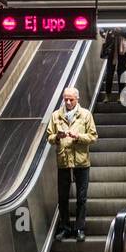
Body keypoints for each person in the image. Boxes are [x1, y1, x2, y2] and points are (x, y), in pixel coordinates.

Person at [46, 87, 98, 242]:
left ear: (77, 99)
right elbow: (49, 136)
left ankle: (80, 228)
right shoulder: (56, 115)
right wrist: (57, 136)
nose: (68, 102)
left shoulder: (85, 115)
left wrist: (78, 137)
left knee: (81, 198)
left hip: (81, 161)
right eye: (65, 99)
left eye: (71, 99)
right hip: (63, 161)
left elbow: (93, 136)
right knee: (62, 197)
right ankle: (65, 227)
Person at [100, 28, 126, 102]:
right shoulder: (110, 22)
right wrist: (107, 33)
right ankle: (107, 96)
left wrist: (120, 31)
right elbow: (101, 30)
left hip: (123, 50)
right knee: (109, 73)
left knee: (121, 72)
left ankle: (121, 96)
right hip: (111, 49)